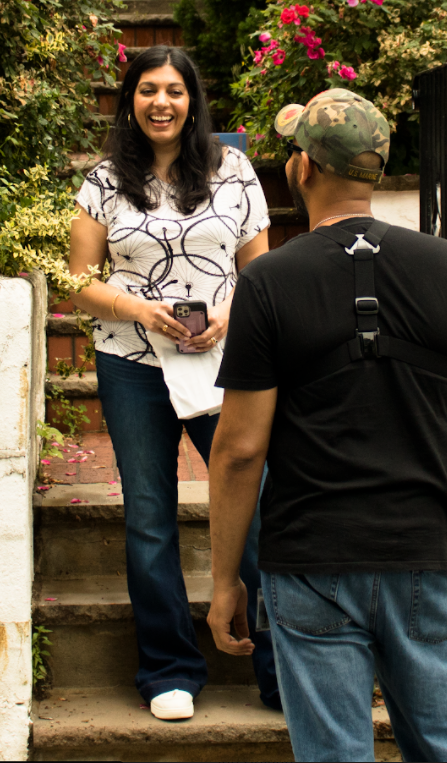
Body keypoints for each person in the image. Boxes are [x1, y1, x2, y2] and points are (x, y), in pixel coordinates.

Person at [206, 89, 447, 762]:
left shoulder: (269, 282)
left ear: (304, 168)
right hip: (424, 550)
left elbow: (238, 449)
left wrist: (227, 578)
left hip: (312, 557)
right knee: (446, 748)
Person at [69, 45, 279, 720]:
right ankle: (167, 669)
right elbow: (78, 282)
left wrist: (226, 313)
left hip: (226, 363)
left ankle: (282, 666)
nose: (161, 102)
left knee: (255, 509)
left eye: (174, 90)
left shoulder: (234, 170)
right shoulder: (102, 180)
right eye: (147, 90)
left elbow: (261, 274)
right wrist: (140, 309)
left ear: (193, 101)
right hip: (132, 360)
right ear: (129, 100)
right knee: (150, 517)